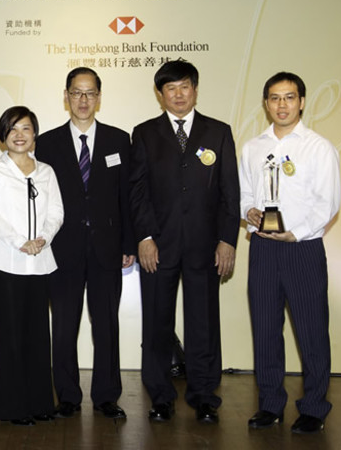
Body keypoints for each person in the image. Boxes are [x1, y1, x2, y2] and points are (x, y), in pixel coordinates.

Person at [129, 59, 239, 424]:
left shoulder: (218, 132)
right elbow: (138, 192)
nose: (178, 94)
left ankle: (204, 395)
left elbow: (229, 193)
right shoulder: (144, 133)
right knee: (157, 324)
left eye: (185, 86)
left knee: (203, 323)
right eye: (170, 88)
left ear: (195, 89)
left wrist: (227, 240)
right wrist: (144, 237)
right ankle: (160, 395)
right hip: (157, 247)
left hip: (205, 247)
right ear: (160, 94)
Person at [239, 72, 340, 434]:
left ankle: (314, 407)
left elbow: (327, 204)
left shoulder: (319, 148)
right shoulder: (252, 148)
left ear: (301, 102)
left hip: (303, 250)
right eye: (275, 98)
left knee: (311, 331)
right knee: (265, 329)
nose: (282, 105)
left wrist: (295, 234)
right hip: (263, 250)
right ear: (265, 103)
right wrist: (249, 214)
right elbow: (245, 195)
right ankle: (270, 405)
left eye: (289, 97)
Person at [35, 68, 135, 419]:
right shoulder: (46, 143)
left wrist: (129, 243)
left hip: (108, 248)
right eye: (76, 93)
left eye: (90, 93)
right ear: (66, 96)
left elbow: (128, 197)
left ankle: (107, 395)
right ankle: (67, 395)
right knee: (63, 324)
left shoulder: (119, 140)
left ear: (99, 97)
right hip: (62, 249)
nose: (83, 100)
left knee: (106, 323)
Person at [0, 106, 63, 425]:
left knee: (38, 335)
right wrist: (19, 241)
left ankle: (41, 403)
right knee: (9, 337)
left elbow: (56, 212)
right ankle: (11, 408)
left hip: (39, 263)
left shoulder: (46, 172)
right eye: (12, 129)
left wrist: (43, 238)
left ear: (34, 135)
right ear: (3, 136)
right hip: (4, 263)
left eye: (25, 128)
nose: (19, 135)